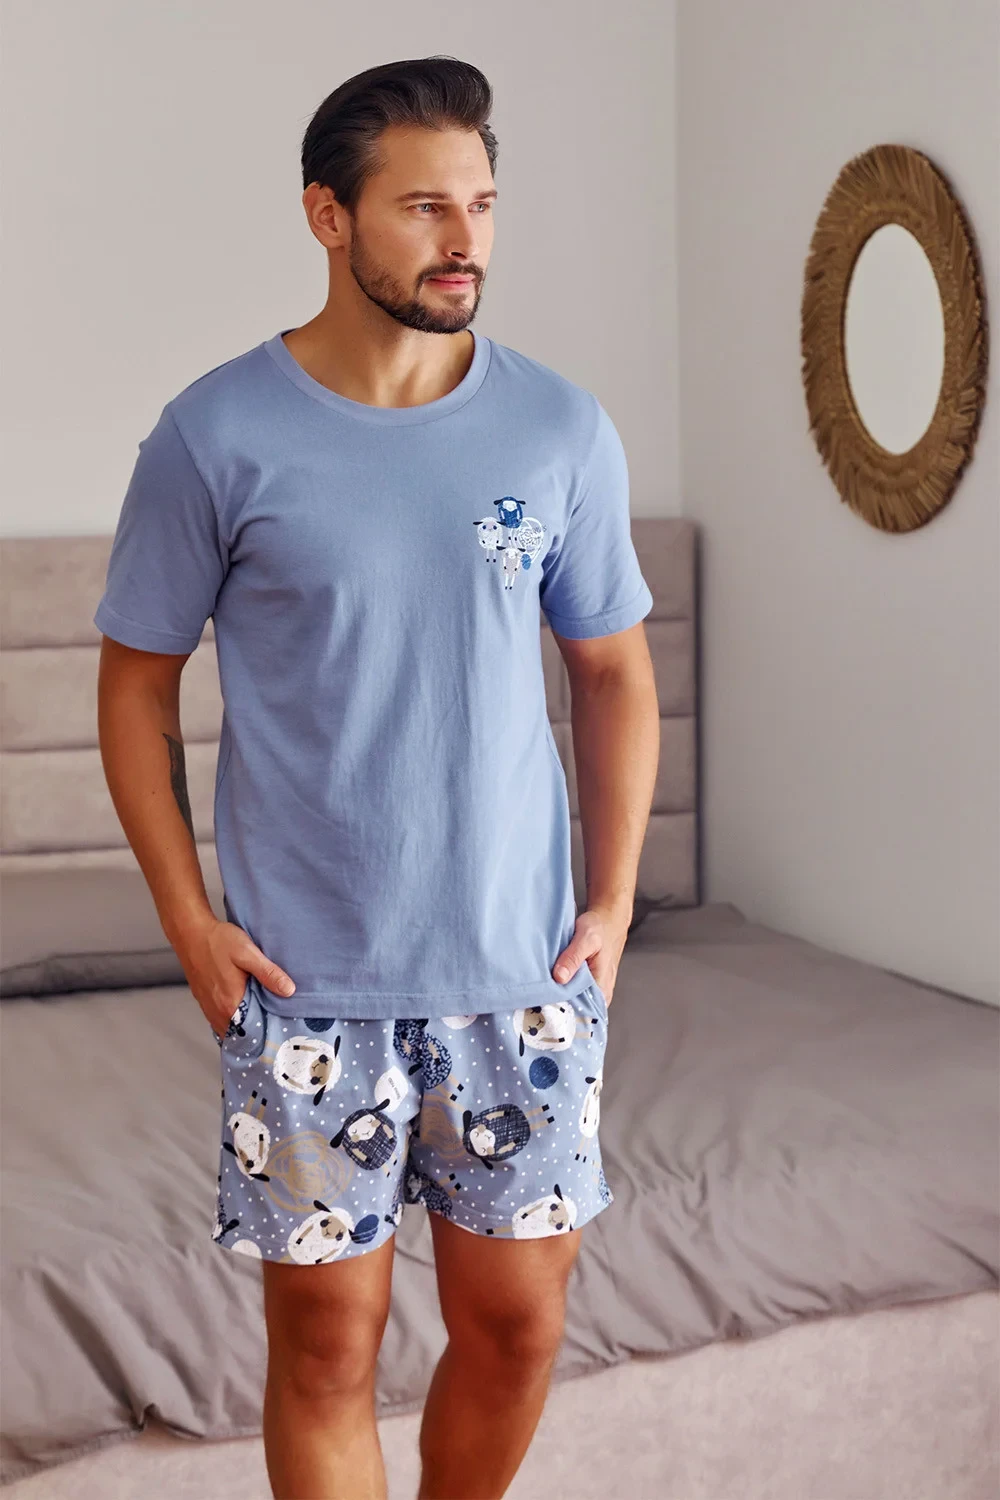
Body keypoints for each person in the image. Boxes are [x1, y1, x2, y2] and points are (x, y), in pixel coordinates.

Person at [93, 53, 660, 1500]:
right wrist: (188, 923)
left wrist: (612, 900)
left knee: (518, 1331)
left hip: (521, 979)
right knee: (326, 1354)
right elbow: (135, 684)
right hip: (305, 988)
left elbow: (611, 670)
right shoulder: (214, 435)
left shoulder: (560, 429)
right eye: (424, 208)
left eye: (482, 204)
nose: (466, 239)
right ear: (328, 216)